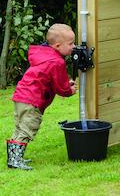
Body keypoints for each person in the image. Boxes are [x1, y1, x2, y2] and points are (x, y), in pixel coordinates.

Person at [6, 23, 77, 170]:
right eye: (71, 44)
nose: (74, 47)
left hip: (22, 95)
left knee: (20, 127)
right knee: (27, 128)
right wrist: (69, 90)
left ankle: (14, 158)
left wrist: (65, 83)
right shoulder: (57, 61)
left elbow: (49, 79)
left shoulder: (45, 55)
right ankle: (15, 160)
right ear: (58, 46)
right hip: (32, 100)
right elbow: (61, 88)